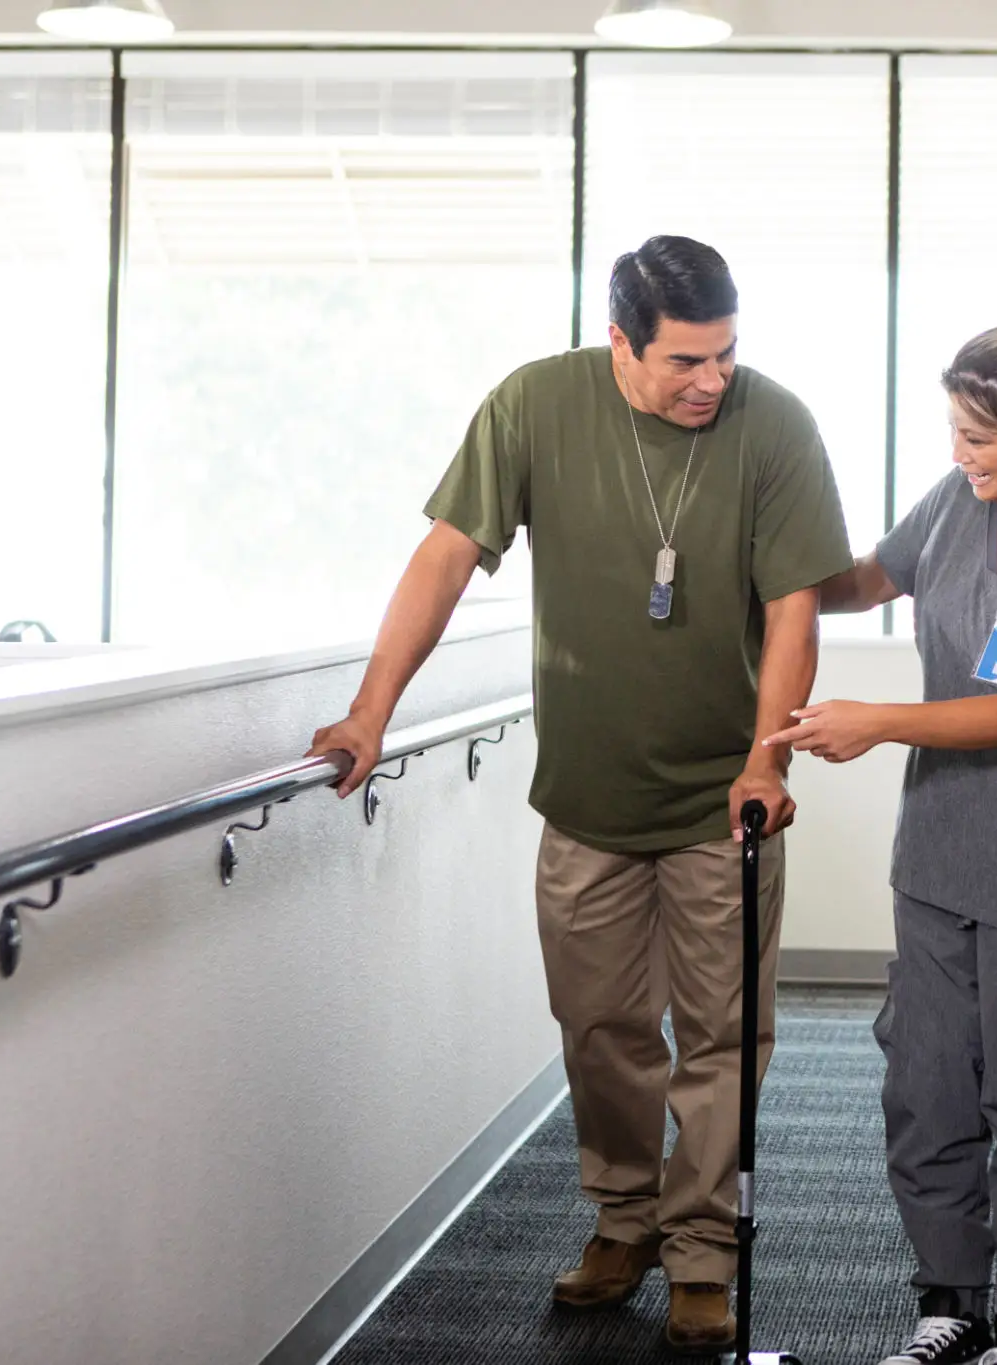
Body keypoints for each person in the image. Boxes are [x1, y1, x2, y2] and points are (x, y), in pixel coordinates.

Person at [307, 235, 852, 1355]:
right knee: (600, 1029)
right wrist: (371, 711)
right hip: (586, 798)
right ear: (618, 341)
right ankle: (624, 1218)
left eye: (725, 356)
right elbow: (445, 557)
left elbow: (795, 609)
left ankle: (701, 1249)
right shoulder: (533, 406)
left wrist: (769, 760)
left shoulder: (776, 425)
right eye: (683, 363)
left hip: (722, 800)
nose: (710, 381)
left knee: (721, 1033)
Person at [769, 324, 997, 1365]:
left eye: (978, 438)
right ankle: (950, 1301)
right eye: (952, 431)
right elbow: (862, 582)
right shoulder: (956, 504)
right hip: (937, 849)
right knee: (925, 1084)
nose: (957, 455)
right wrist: (769, 559)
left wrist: (878, 720)